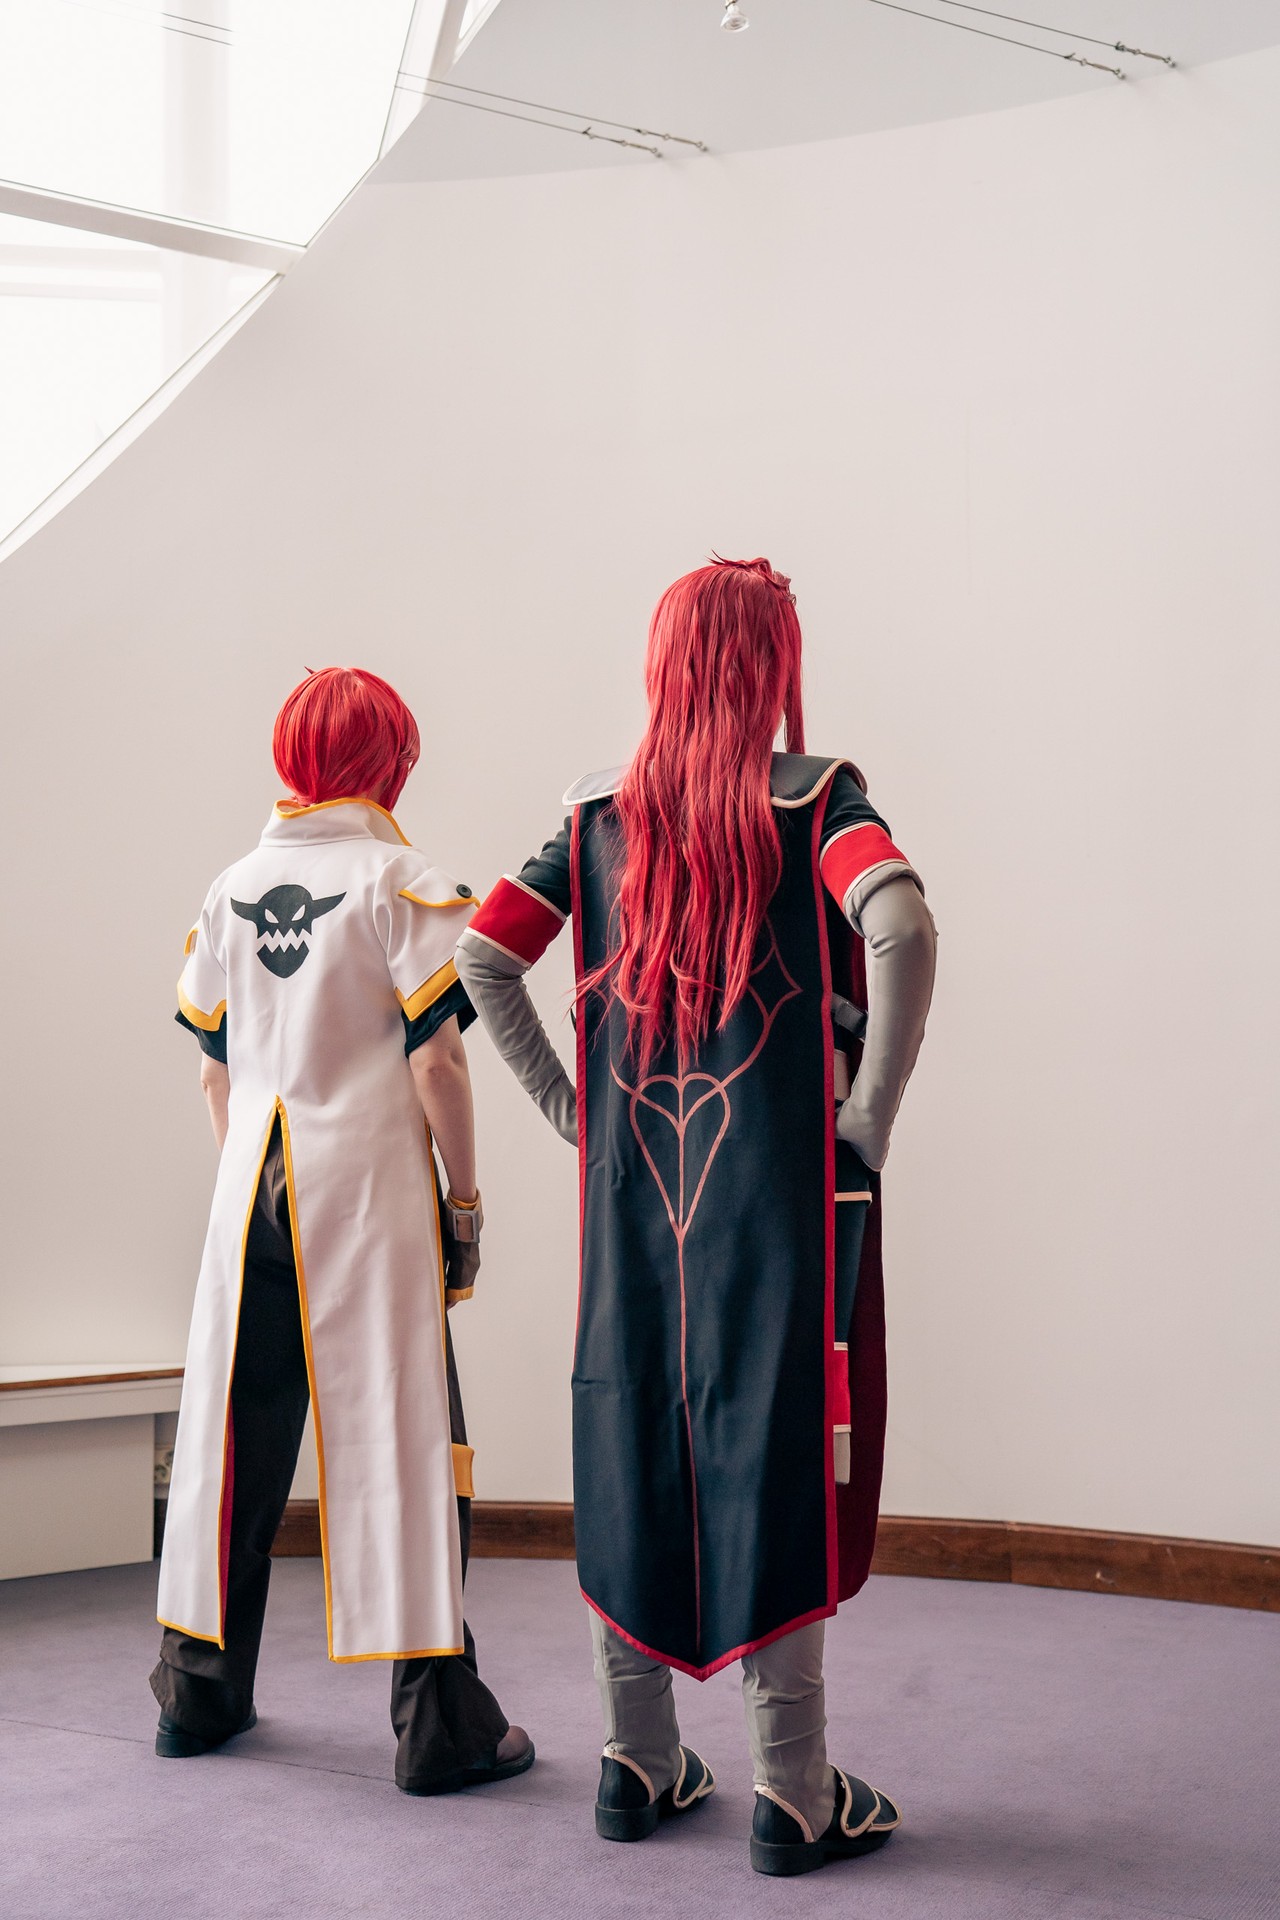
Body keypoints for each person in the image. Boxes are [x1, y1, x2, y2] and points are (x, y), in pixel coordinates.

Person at [456, 558, 935, 1875]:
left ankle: (636, 1762)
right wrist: (868, 1113)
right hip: (779, 1202)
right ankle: (795, 1794)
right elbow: (899, 924)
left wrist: (574, 1115)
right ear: (770, 666)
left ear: (662, 666)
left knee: (629, 1428)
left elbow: (483, 956)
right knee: (775, 1443)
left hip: (632, 1201)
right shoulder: (813, 800)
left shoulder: (595, 818)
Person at [153, 666, 532, 1796]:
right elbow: (439, 1060)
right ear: (391, 761)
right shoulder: (399, 880)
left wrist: (250, 1183)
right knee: (408, 1438)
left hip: (249, 1191)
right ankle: (440, 1729)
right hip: (364, 1189)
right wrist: (464, 1203)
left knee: (230, 1444)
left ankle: (195, 1698)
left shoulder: (229, 888)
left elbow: (213, 1075)